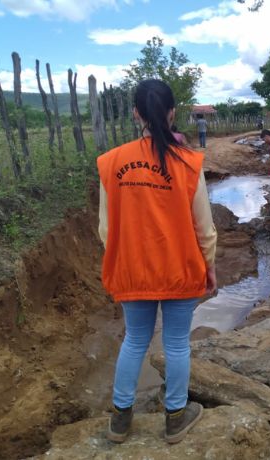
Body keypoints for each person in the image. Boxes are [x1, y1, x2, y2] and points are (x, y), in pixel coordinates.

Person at [96, 79, 218, 445]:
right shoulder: (189, 163)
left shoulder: (110, 162)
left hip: (133, 270)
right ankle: (176, 418)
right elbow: (205, 228)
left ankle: (120, 420)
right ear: (172, 113)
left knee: (135, 340)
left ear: (136, 114)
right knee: (178, 344)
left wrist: (125, 257)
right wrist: (208, 266)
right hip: (179, 268)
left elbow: (105, 228)